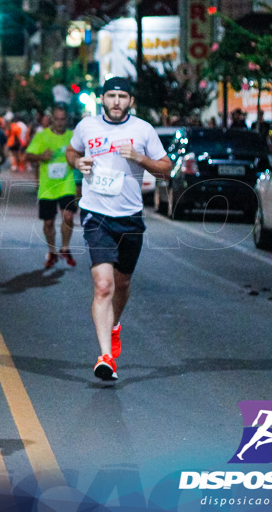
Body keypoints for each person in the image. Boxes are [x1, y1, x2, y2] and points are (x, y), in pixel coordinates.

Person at [66, 77, 172, 381]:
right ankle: (106, 357)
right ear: (102, 99)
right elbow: (71, 152)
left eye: (122, 96)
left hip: (129, 216)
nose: (116, 101)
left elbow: (166, 168)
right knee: (103, 286)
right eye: (110, 96)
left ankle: (114, 327)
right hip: (96, 213)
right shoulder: (87, 127)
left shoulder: (143, 130)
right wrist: (78, 162)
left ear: (131, 101)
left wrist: (140, 158)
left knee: (122, 283)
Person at [27, 106, 79, 268]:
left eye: (62, 119)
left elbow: (83, 153)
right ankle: (52, 251)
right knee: (48, 222)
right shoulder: (42, 136)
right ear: (51, 119)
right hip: (48, 186)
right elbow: (28, 155)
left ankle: (65, 247)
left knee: (68, 216)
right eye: (56, 119)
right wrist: (42, 156)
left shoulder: (73, 136)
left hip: (66, 184)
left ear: (66, 120)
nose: (59, 122)